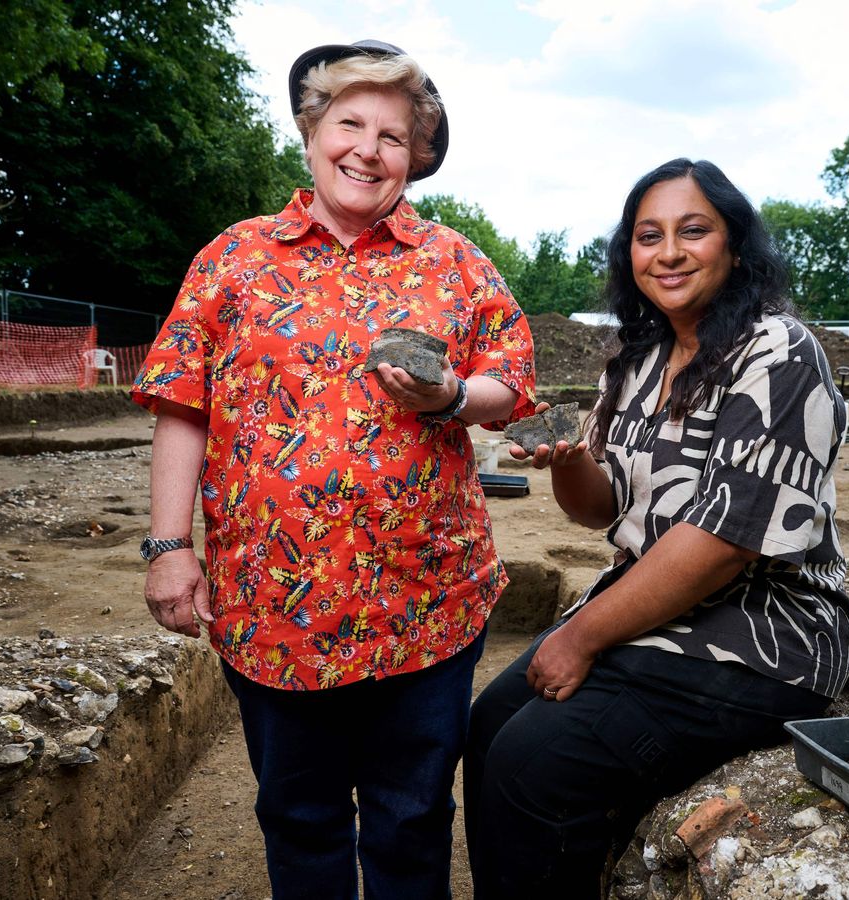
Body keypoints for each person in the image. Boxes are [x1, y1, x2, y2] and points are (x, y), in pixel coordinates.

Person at [132, 39, 534, 900]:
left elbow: (512, 382)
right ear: (311, 134)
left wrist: (453, 396)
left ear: (417, 157)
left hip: (427, 603)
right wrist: (168, 546)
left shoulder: (457, 263)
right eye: (349, 122)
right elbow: (180, 404)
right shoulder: (231, 260)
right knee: (299, 815)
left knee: (412, 813)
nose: (369, 148)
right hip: (272, 605)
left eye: (394, 136)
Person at [464, 158, 849, 898]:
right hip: (656, 615)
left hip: (759, 635)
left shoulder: (778, 352)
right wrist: (569, 459)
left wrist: (578, 636)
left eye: (693, 230)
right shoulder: (637, 360)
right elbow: (602, 508)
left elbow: (725, 544)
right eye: (649, 236)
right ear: (629, 255)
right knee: (488, 729)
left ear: (736, 247)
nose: (669, 251)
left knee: (533, 766)